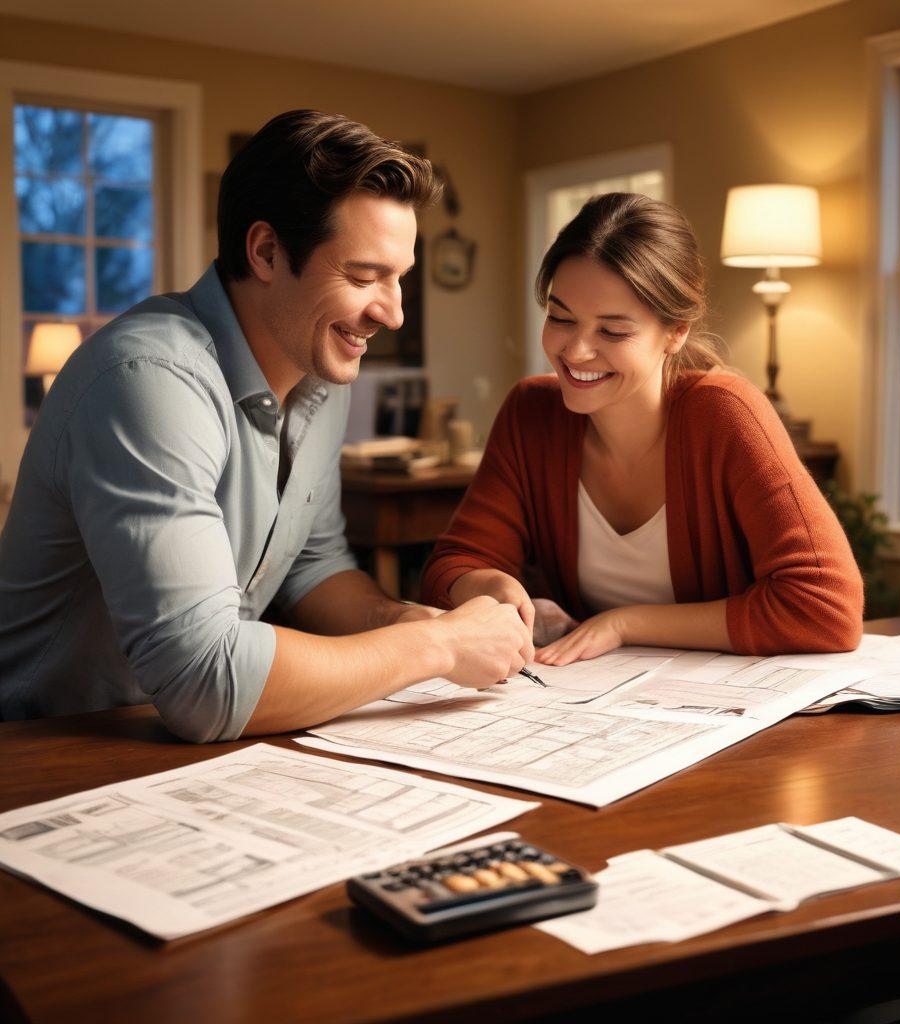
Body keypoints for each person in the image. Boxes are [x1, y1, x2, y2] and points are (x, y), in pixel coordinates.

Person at [0, 110, 531, 741]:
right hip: (48, 750)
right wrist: (440, 646)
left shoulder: (318, 366)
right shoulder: (147, 379)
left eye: (400, 280)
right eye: (365, 277)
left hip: (185, 746)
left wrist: (411, 620)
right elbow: (204, 679)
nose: (391, 314)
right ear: (267, 252)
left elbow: (313, 565)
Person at [422, 192, 863, 664]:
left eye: (612, 331)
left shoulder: (727, 415)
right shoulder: (531, 413)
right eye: (560, 318)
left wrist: (625, 623)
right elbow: (449, 567)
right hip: (599, 707)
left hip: (734, 711)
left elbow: (826, 609)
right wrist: (489, 584)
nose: (576, 351)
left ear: (676, 332)